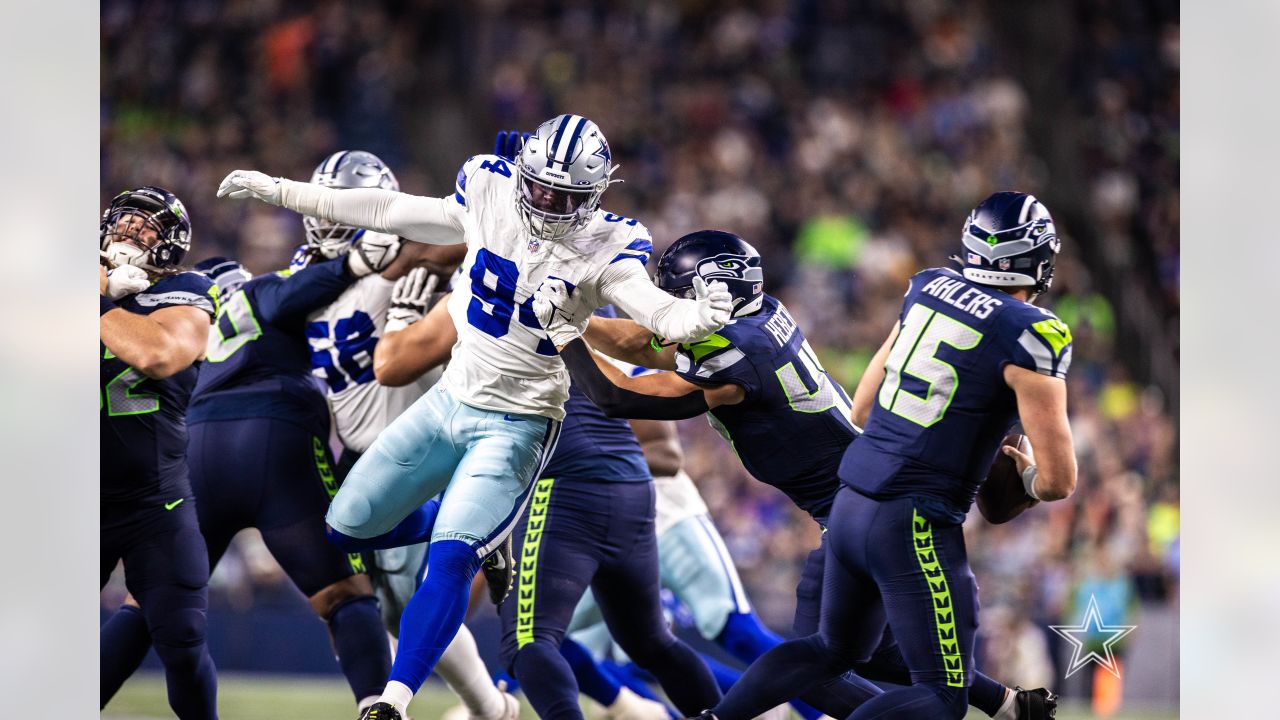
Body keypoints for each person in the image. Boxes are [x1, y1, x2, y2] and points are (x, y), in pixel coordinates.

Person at [216, 113, 732, 720]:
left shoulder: (609, 246)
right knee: (346, 526)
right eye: (540, 186)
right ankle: (481, 537)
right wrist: (278, 190)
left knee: (450, 561)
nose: (547, 202)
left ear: (594, 194)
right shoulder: (489, 186)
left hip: (520, 423)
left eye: (565, 196)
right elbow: (387, 210)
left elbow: (653, 313)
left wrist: (697, 319)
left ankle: (394, 700)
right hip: (449, 402)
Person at [538, 228, 1058, 720]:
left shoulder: (736, 355)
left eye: (678, 298)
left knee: (853, 665)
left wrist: (563, 333)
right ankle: (1008, 704)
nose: (670, 311)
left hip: (868, 507)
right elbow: (641, 342)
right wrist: (579, 320)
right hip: (860, 498)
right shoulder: (757, 316)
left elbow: (618, 396)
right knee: (840, 656)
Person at [684, 193, 1078, 719]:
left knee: (831, 651)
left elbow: (863, 408)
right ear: (1040, 260)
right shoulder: (1035, 335)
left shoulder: (927, 288)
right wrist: (1021, 473)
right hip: (916, 521)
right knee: (941, 697)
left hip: (851, 503)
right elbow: (1058, 481)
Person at [100, 200, 404, 714]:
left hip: (196, 451)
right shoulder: (260, 292)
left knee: (149, 608)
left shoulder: (165, 303)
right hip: (273, 435)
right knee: (345, 595)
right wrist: (353, 261)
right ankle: (377, 704)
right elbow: (313, 291)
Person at [372, 284, 720, 720]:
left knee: (527, 642)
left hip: (564, 483)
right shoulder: (589, 291)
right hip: (629, 479)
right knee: (650, 642)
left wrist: (406, 316)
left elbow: (393, 367)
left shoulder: (500, 283)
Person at [303, 150, 517, 720]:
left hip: (414, 448)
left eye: (344, 207)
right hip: (356, 452)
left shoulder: (399, 258)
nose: (329, 221)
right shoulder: (313, 283)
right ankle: (489, 707)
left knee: (410, 600)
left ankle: (487, 708)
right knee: (387, 606)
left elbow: (462, 241)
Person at [99, 186, 220, 719]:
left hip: (156, 503)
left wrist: (96, 298)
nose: (129, 232)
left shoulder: (187, 292)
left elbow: (158, 354)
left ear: (169, 245)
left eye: (145, 226)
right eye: (123, 221)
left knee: (183, 638)